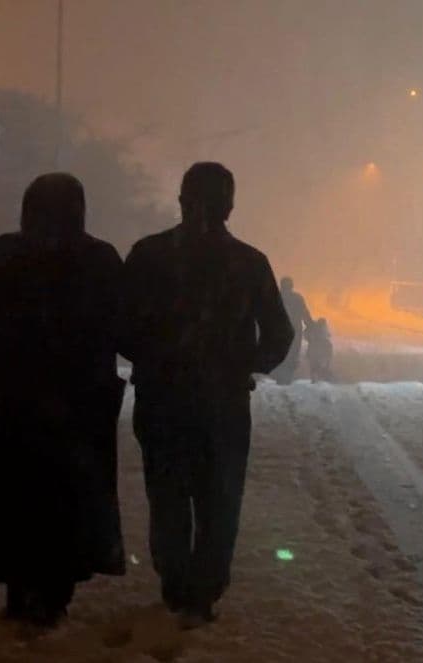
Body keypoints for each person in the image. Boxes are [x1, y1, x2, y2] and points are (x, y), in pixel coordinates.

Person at [0, 173, 126, 627]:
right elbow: (121, 327)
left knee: (13, 497)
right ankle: (54, 591)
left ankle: (19, 586)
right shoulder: (99, 260)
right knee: (65, 500)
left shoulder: (7, 256)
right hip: (76, 407)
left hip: (7, 403)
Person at [119, 162, 293, 628]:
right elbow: (279, 334)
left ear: (181, 200)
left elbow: (119, 324)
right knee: (219, 499)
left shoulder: (149, 255)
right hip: (223, 405)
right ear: (230, 206)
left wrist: (154, 359)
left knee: (168, 494)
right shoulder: (249, 263)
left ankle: (174, 581)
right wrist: (242, 364)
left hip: (162, 399)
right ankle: (204, 589)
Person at [272, 276, 313, 384]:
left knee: (280, 355)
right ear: (291, 286)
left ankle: (280, 380)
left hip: (278, 331)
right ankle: (286, 381)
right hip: (294, 332)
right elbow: (305, 313)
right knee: (292, 356)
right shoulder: (297, 298)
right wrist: (311, 325)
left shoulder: (276, 296)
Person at [305, 317, 333, 382]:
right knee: (317, 369)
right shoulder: (317, 330)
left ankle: (316, 380)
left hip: (315, 352)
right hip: (317, 352)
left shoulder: (315, 329)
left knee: (315, 369)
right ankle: (317, 380)